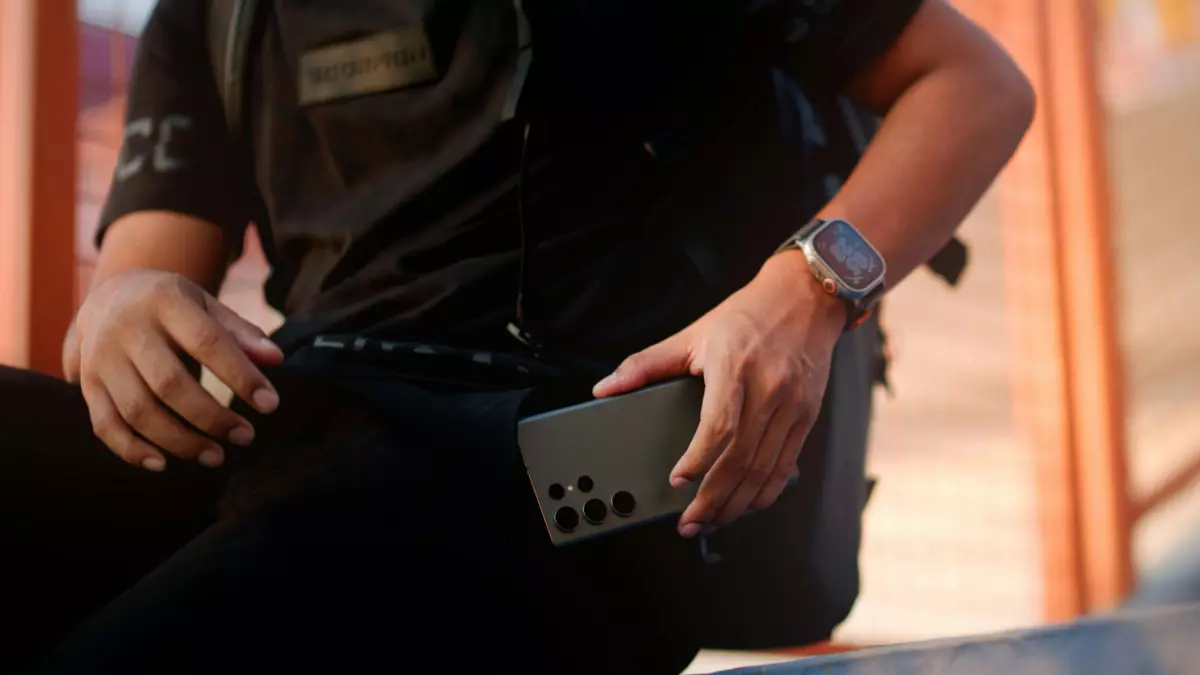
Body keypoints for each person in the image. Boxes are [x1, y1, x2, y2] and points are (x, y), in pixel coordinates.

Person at [1, 0, 1034, 672]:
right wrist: (119, 310)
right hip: (310, 425)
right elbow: (147, 267)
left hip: (573, 467)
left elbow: (976, 84)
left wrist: (802, 295)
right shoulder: (215, 14)